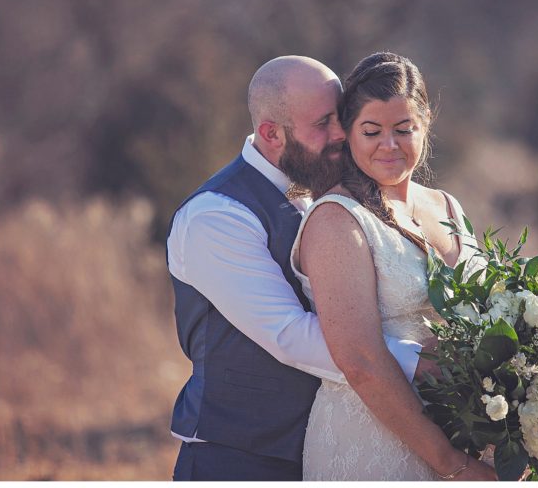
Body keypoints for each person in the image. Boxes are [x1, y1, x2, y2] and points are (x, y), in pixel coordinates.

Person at [166, 56, 429, 481]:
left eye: (341, 117)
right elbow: (291, 334)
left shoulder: (326, 191)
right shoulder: (216, 215)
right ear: (271, 133)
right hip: (240, 457)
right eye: (323, 123)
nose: (341, 134)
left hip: (330, 446)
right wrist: (424, 366)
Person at [290, 52, 497, 480]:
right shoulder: (336, 219)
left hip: (469, 431)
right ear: (348, 134)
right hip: (378, 439)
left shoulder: (447, 207)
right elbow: (360, 361)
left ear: (425, 127)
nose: (389, 145)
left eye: (404, 130)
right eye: (372, 131)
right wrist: (450, 463)